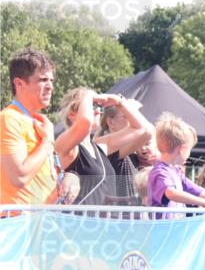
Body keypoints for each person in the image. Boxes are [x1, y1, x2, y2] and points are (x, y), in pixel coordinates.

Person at [56, 89, 153, 206]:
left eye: (98, 106)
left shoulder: (99, 146)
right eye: (92, 106)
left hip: (104, 222)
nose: (97, 111)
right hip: (79, 222)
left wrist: (119, 102)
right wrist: (89, 94)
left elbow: (142, 129)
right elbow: (85, 122)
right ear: (72, 114)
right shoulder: (66, 146)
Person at [146, 114, 205, 215]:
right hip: (163, 229)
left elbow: (197, 190)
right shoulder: (160, 172)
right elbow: (171, 193)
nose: (189, 153)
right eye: (189, 149)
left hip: (173, 228)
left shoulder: (175, 171)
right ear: (182, 149)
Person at [1, 48, 58, 205]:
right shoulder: (9, 119)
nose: (50, 87)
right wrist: (47, 142)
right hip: (20, 223)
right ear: (19, 83)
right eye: (42, 80)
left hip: (44, 221)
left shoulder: (41, 123)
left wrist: (69, 178)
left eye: (51, 81)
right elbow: (19, 177)